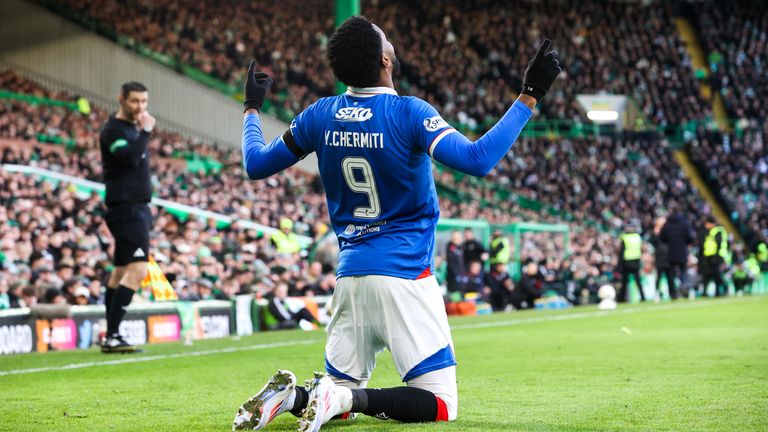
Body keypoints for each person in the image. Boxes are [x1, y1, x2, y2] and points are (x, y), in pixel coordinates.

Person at [233, 15, 560, 432]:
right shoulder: (408, 113)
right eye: (387, 39)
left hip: (350, 278)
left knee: (338, 404)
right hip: (404, 275)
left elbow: (256, 163)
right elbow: (477, 160)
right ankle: (340, 394)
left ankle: (295, 396)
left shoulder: (319, 115)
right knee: (440, 403)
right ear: (384, 59)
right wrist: (530, 95)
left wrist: (252, 108)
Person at [99, 81, 156, 353]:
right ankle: (112, 335)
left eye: (144, 102)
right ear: (121, 99)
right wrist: (145, 131)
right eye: (135, 101)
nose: (140, 107)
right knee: (138, 270)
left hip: (135, 208)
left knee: (120, 272)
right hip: (127, 208)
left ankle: (111, 335)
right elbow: (130, 157)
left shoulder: (132, 128)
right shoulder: (113, 130)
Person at [660, 205, 695, 299]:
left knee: (671, 274)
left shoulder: (667, 224)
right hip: (682, 251)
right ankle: (685, 290)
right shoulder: (684, 223)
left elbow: (662, 237)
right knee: (683, 272)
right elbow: (690, 237)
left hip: (671, 251)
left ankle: (673, 293)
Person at [698, 217, 729, 297]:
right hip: (708, 256)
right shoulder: (709, 231)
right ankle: (707, 291)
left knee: (716, 274)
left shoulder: (717, 231)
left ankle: (720, 290)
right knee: (708, 274)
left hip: (715, 256)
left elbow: (718, 244)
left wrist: (716, 256)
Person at [617, 220, 645, 302]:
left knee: (625, 281)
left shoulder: (624, 237)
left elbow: (621, 251)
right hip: (636, 260)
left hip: (627, 261)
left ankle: (621, 298)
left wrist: (619, 263)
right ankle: (643, 297)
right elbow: (641, 248)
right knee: (637, 280)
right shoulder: (637, 236)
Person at [650, 217, 671, 299]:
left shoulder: (668, 231)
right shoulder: (656, 233)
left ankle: (672, 293)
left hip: (668, 257)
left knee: (670, 276)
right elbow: (653, 242)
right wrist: (656, 232)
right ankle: (657, 293)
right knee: (658, 277)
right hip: (659, 258)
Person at [445, 230, 465, 298]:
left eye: (459, 237)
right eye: (455, 238)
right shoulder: (450, 247)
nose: (458, 239)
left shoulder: (461, 247)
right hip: (453, 278)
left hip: (460, 276)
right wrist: (457, 275)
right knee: (454, 296)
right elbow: (451, 263)